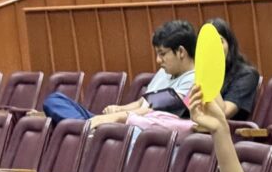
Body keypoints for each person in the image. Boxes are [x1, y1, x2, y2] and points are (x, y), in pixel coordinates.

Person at [42, 20, 197, 126]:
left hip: (136, 125)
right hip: (124, 118)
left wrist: (116, 116)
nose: (158, 60)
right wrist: (119, 108)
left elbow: (154, 111)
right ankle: (87, 129)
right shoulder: (165, 72)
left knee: (77, 121)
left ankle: (86, 129)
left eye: (162, 54)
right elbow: (142, 102)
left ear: (181, 52)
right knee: (54, 100)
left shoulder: (192, 81)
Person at [208, 17, 260, 122]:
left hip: (231, 133)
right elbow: (188, 107)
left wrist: (207, 78)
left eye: (219, 41)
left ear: (230, 44)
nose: (214, 47)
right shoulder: (202, 72)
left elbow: (224, 112)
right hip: (201, 129)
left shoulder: (247, 75)